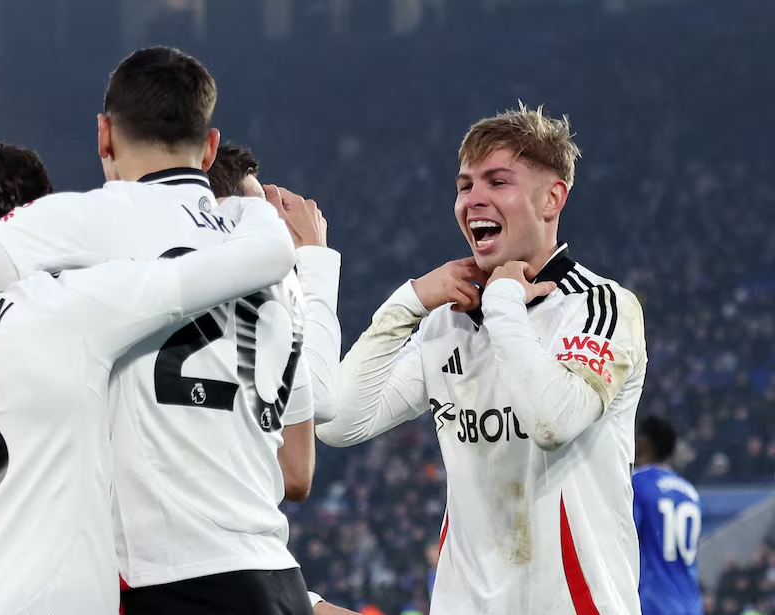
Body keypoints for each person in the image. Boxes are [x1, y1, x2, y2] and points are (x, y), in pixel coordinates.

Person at [0, 47, 338, 615]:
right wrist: (307, 261)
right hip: (270, 571)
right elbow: (298, 469)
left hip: (145, 582)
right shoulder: (246, 254)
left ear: (104, 136)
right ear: (209, 149)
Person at [317, 104, 648, 614]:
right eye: (465, 185)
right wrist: (406, 302)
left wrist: (501, 301)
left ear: (552, 198)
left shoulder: (601, 307)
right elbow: (338, 422)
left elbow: (552, 420)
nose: (474, 200)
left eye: (497, 181)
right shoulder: (446, 322)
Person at [208, 143, 358, 615]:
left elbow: (294, 473)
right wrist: (314, 262)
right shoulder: (249, 311)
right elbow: (325, 402)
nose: (276, 228)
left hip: (233, 571)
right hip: (220, 578)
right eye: (260, 213)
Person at [633, 416, 704, 615]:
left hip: (654, 603)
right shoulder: (691, 493)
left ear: (644, 443)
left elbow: (624, 538)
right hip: (691, 604)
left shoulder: (638, 483)